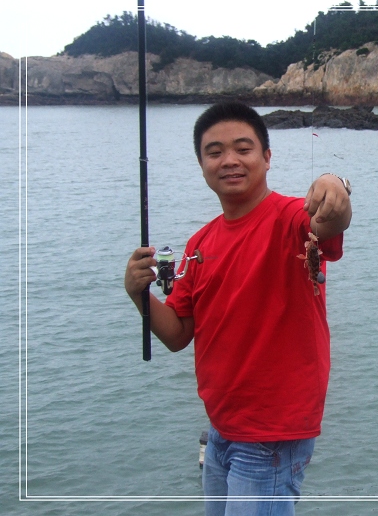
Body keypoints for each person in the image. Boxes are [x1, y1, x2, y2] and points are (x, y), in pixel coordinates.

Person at [124, 102, 352, 516]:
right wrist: (140, 296)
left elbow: (328, 221)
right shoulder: (200, 243)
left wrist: (333, 184)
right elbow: (176, 334)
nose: (229, 160)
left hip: (271, 435)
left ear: (267, 157)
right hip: (221, 429)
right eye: (214, 152)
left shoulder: (291, 218)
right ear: (201, 164)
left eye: (243, 149)